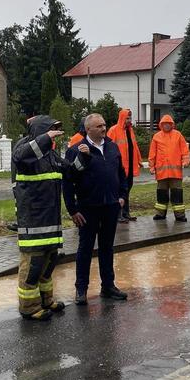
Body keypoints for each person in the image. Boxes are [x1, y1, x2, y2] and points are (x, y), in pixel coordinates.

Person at [12, 115, 90, 320]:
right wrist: (46, 138)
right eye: (52, 131)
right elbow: (22, 156)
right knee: (32, 267)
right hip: (34, 221)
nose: (55, 135)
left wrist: (84, 158)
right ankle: (28, 307)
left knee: (48, 264)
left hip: (50, 220)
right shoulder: (24, 152)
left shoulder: (51, 156)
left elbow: (71, 172)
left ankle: (46, 300)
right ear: (41, 132)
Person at [63, 113, 128, 306]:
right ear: (88, 129)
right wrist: (73, 210)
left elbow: (121, 174)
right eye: (99, 126)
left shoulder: (112, 147)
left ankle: (108, 286)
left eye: (104, 125)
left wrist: (123, 196)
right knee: (85, 249)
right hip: (88, 208)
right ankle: (81, 289)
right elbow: (68, 183)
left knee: (107, 248)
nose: (103, 128)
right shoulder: (76, 150)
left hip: (110, 206)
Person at [148, 114, 190, 222]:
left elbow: (185, 151)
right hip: (161, 173)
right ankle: (160, 214)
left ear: (172, 124)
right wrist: (151, 167)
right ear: (161, 125)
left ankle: (180, 215)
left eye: (168, 124)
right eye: (164, 124)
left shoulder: (178, 135)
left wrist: (186, 161)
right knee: (161, 194)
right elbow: (152, 154)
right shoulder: (156, 136)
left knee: (177, 194)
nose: (167, 125)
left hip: (175, 173)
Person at [106, 108, 142, 223]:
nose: (129, 120)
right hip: (118, 168)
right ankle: (117, 215)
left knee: (126, 190)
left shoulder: (130, 131)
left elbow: (134, 147)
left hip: (129, 168)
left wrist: (139, 160)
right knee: (118, 191)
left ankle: (126, 214)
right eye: (127, 118)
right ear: (122, 118)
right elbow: (107, 148)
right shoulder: (113, 130)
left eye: (130, 118)